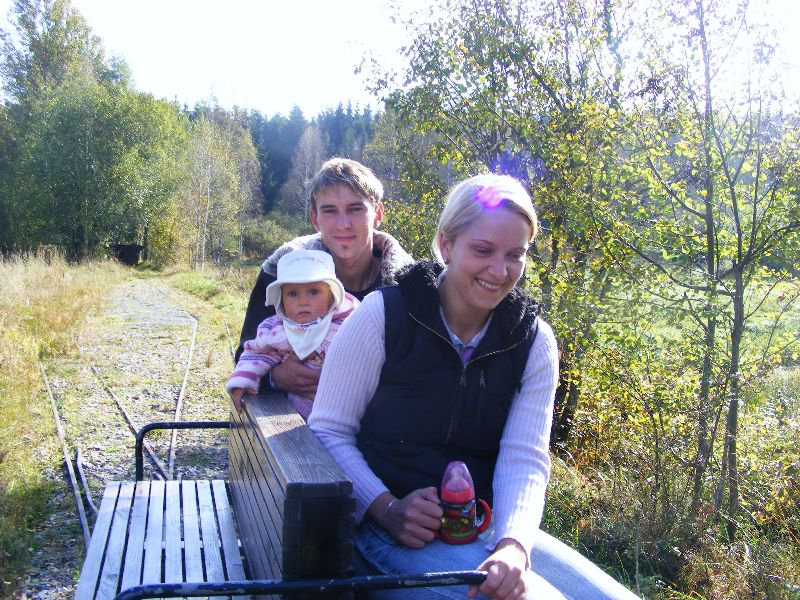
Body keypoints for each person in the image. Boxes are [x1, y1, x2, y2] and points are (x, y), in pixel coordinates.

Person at [308, 174, 639, 600]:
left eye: (515, 255)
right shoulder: (383, 317)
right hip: (384, 535)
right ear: (446, 245)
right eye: (483, 250)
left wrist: (513, 546)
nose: (499, 272)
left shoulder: (532, 341)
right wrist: (386, 508)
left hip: (484, 523)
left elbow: (524, 457)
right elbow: (328, 431)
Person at [236, 158, 413, 397]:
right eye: (330, 211)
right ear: (314, 219)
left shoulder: (409, 286)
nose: (343, 224)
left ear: (377, 213)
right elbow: (245, 354)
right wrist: (275, 378)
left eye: (355, 209)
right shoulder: (282, 271)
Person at [226, 249, 358, 421]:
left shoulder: (347, 323)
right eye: (293, 294)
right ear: (281, 300)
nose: (303, 301)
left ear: (332, 296)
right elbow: (256, 355)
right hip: (296, 411)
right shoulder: (276, 330)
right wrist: (241, 383)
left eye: (313, 292)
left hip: (345, 409)